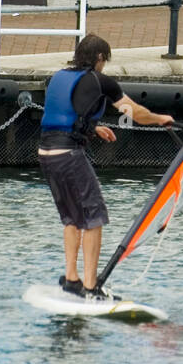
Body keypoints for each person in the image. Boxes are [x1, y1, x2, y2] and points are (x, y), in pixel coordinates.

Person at [40, 34, 173, 301]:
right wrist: (161, 119)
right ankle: (90, 287)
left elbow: (64, 114)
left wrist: (93, 128)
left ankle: (71, 279)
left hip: (46, 153)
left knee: (72, 218)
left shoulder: (59, 76)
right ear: (100, 58)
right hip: (68, 155)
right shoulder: (100, 81)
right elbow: (134, 113)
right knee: (94, 216)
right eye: (104, 61)